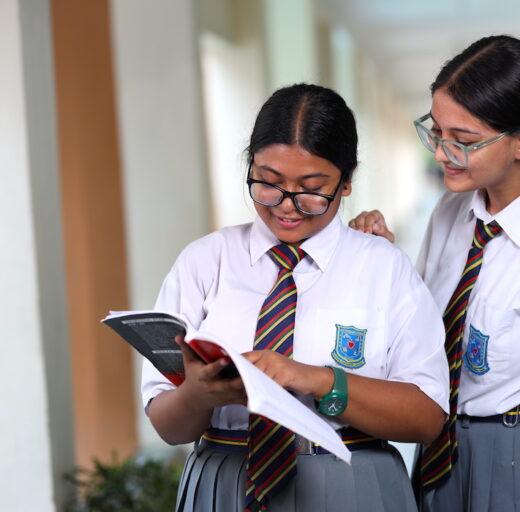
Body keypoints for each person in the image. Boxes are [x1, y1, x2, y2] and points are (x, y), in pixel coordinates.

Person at [141, 83, 449, 512]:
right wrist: (199, 394)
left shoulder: (382, 267)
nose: (287, 206)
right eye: (268, 183)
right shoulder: (205, 262)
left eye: (311, 188)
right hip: (227, 483)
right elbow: (168, 426)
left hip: (351, 482)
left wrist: (318, 379)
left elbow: (427, 417)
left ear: (347, 183)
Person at [350, 35, 520, 511]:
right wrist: (380, 261)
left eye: (464, 141)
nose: (440, 153)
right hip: (442, 452)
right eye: (435, 131)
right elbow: (418, 339)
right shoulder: (453, 211)